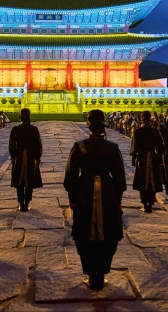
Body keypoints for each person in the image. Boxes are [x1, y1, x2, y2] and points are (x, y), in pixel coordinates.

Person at [64, 109, 126, 290]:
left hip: (84, 191)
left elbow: (71, 178)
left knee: (84, 231)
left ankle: (91, 274)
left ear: (88, 124)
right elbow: (120, 179)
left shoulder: (80, 147)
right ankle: (102, 272)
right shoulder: (112, 148)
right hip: (108, 192)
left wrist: (72, 197)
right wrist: (118, 198)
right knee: (108, 231)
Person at [130, 110, 165, 213]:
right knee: (152, 179)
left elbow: (134, 148)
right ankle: (150, 201)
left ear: (141, 119)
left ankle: (145, 203)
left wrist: (133, 158)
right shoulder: (155, 131)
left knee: (143, 179)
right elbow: (161, 147)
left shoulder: (138, 132)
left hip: (142, 158)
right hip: (153, 158)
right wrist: (159, 158)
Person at [9, 108, 43, 211]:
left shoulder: (15, 129)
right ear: (29, 117)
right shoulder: (34, 130)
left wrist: (14, 156)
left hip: (19, 156)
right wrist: (37, 156)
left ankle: (20, 203)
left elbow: (11, 145)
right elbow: (38, 145)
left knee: (19, 179)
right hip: (31, 156)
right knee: (30, 179)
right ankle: (27, 202)